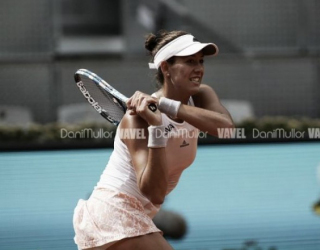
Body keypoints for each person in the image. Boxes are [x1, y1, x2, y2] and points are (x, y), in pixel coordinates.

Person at [73, 30, 234, 250]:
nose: (199, 68)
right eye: (189, 61)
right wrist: (157, 127)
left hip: (136, 215)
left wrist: (168, 106)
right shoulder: (136, 120)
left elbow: (226, 129)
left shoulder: (201, 95)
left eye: (201, 61)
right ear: (166, 68)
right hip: (113, 211)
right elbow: (155, 192)